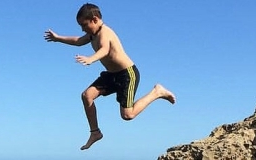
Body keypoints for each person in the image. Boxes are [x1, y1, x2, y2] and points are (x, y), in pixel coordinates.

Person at [44, 3, 176, 150]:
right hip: (112, 75)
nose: (82, 29)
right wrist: (58, 38)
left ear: (95, 19)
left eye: (84, 25)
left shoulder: (105, 33)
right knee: (87, 95)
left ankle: (157, 92)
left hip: (127, 74)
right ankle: (95, 132)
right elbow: (78, 41)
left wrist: (91, 59)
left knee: (127, 115)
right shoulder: (92, 34)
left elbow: (105, 49)